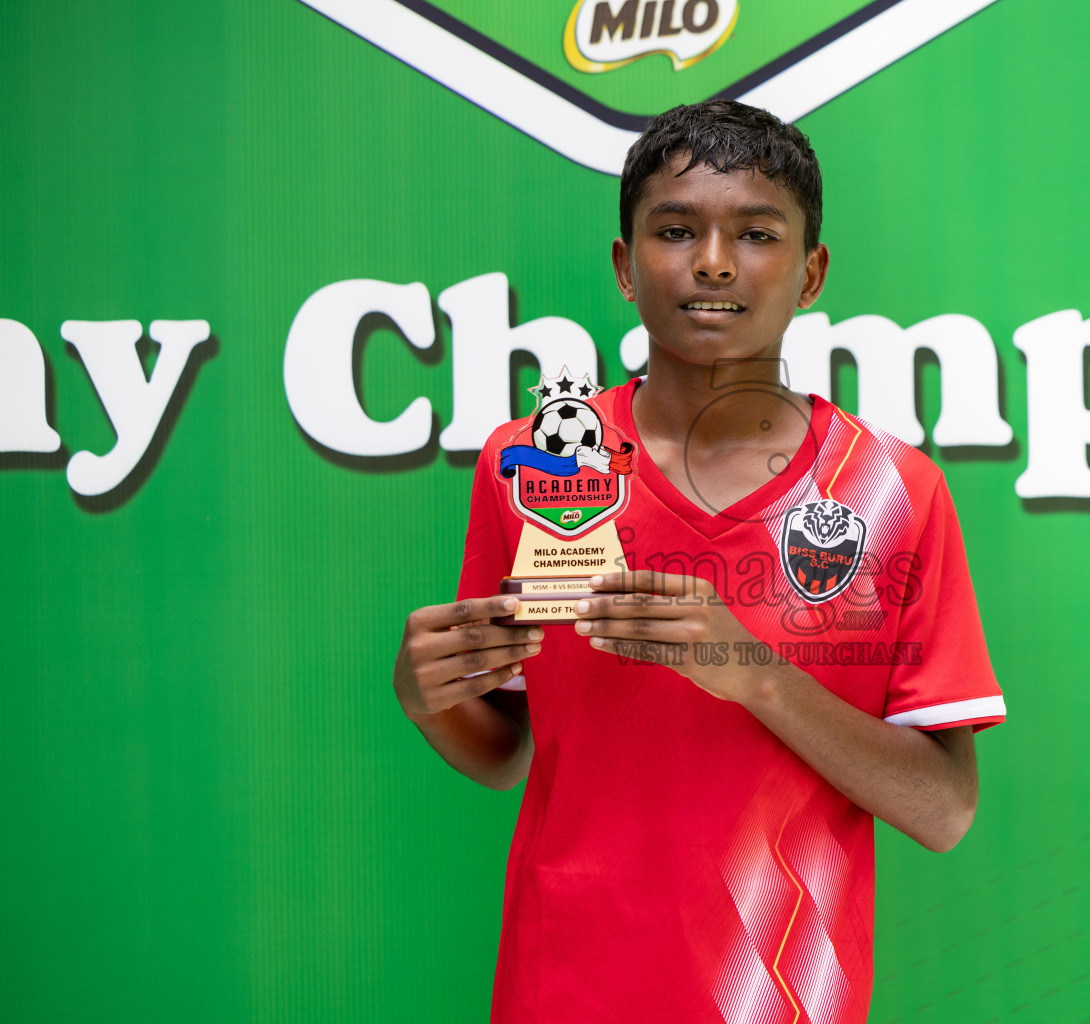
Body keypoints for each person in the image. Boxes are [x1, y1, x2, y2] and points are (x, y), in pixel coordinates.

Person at [392, 100, 1005, 1023]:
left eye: (756, 233)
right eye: (675, 229)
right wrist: (428, 699)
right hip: (564, 989)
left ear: (810, 272)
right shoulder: (540, 462)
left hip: (782, 997)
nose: (714, 260)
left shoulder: (889, 492)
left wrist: (753, 675)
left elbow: (943, 809)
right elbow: (507, 750)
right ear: (624, 266)